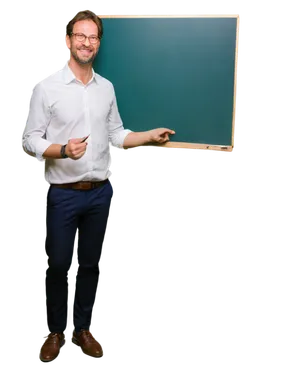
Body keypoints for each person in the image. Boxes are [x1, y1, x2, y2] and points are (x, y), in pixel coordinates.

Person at [22, 9, 175, 363]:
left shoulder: (107, 88)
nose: (87, 42)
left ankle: (84, 328)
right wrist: (62, 149)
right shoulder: (47, 87)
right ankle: (55, 332)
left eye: (93, 37)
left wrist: (148, 137)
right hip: (63, 194)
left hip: (101, 192)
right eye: (81, 36)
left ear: (98, 43)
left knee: (91, 263)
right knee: (59, 264)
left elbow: (118, 134)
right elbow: (29, 139)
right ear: (68, 41)